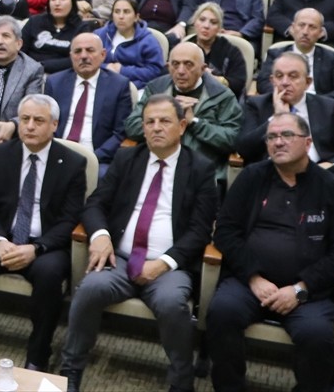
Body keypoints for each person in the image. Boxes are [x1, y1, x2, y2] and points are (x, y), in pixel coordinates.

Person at [58, 94, 217, 392]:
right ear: (142, 128)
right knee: (89, 288)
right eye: (150, 122)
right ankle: (71, 371)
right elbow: (95, 204)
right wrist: (101, 236)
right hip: (119, 258)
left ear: (182, 126)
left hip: (169, 265)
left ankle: (182, 381)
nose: (156, 128)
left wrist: (164, 263)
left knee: (173, 304)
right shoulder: (127, 158)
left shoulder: (200, 168)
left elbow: (199, 230)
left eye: (165, 121)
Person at [207, 111, 334, 392]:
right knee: (222, 312)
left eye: (287, 135)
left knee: (318, 336)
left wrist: (300, 289)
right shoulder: (252, 177)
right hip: (250, 283)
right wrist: (254, 278)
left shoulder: (333, 188)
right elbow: (226, 232)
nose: (278, 142)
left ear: (308, 142)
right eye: (272, 137)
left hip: (307, 292)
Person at [0, 93, 86, 371]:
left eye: (38, 120)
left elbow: (69, 219)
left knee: (49, 277)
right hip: (3, 237)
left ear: (54, 125)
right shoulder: (0, 155)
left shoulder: (72, 163)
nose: (30, 126)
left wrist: (37, 248)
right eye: (25, 119)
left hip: (44, 245)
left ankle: (38, 354)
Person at [237, 52, 334, 190]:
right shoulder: (256, 105)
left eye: (293, 76)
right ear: (272, 81)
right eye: (279, 76)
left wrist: (329, 165)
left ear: (307, 82)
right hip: (270, 181)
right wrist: (277, 117)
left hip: (317, 179)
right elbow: (244, 149)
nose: (285, 82)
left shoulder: (327, 107)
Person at [123, 42, 243, 184]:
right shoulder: (155, 88)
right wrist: (166, 119)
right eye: (175, 64)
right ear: (168, 67)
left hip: (200, 175)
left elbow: (233, 139)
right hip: (156, 167)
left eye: (188, 64)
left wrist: (194, 122)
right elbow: (132, 126)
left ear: (203, 69)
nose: (180, 71)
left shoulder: (221, 95)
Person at [45, 33, 132, 167]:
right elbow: (47, 124)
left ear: (103, 55)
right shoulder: (55, 82)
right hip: (57, 153)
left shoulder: (119, 85)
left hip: (97, 157)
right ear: (71, 56)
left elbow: (120, 132)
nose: (84, 56)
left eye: (90, 50)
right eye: (78, 51)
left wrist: (93, 158)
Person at [256, 8, 334, 105]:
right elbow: (263, 83)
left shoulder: (330, 58)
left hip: (317, 111)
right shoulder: (276, 54)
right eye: (301, 25)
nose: (305, 32)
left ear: (320, 33)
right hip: (282, 105)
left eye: (312, 27)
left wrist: (313, 101)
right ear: (293, 28)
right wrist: (286, 97)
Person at [21, 0, 96, 74]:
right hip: (30, 74)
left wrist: (41, 66)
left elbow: (79, 58)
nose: (57, 3)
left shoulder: (81, 27)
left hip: (65, 75)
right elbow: (19, 51)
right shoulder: (34, 21)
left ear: (72, 2)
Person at [93, 0, 166, 88]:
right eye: (117, 12)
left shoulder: (148, 41)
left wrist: (122, 70)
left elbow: (155, 71)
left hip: (134, 87)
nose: (121, 16)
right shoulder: (100, 35)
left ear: (136, 17)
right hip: (101, 84)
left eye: (126, 12)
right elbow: (88, 61)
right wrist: (106, 67)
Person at [183, 2, 247, 99]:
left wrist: (214, 79)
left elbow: (239, 83)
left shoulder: (231, 51)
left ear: (219, 28)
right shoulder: (184, 48)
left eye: (213, 22)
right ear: (194, 22)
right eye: (202, 20)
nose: (206, 26)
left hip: (220, 100)